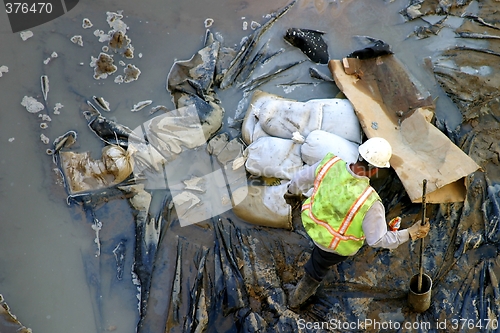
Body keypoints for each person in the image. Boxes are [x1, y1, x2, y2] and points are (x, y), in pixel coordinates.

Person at [284, 137, 430, 309]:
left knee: (318, 255)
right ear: (375, 171)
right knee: (316, 269)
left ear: (359, 154)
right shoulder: (370, 202)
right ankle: (296, 299)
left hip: (311, 224)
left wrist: (291, 195)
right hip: (333, 246)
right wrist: (410, 232)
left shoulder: (329, 164)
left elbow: (298, 180)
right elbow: (377, 240)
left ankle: (311, 271)